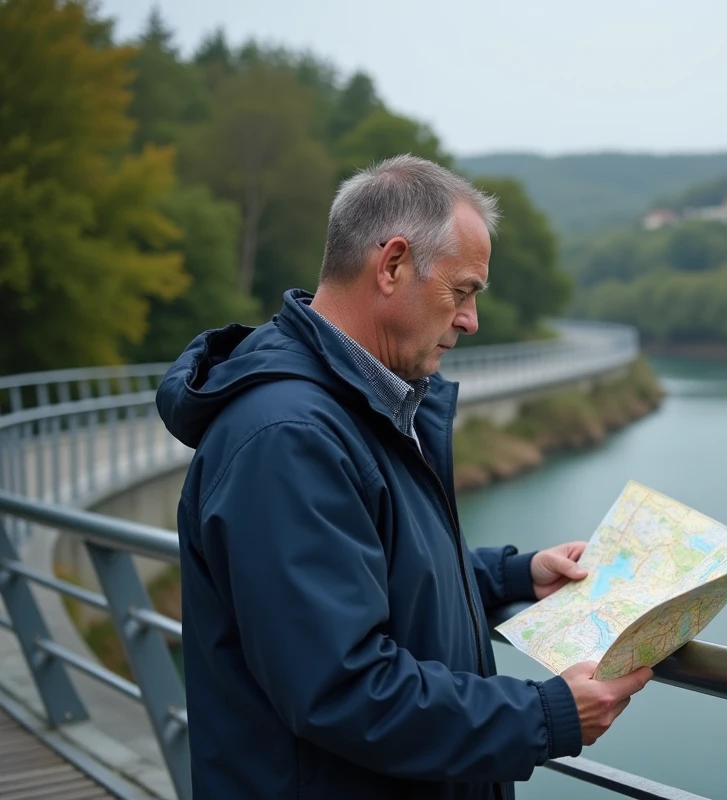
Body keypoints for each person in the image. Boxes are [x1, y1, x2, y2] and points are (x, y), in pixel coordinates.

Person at [156, 154, 653, 799]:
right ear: (392, 265)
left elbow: (366, 574)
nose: (471, 320)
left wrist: (510, 576)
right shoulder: (289, 437)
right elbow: (342, 686)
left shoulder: (356, 404)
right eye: (462, 291)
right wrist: (545, 715)